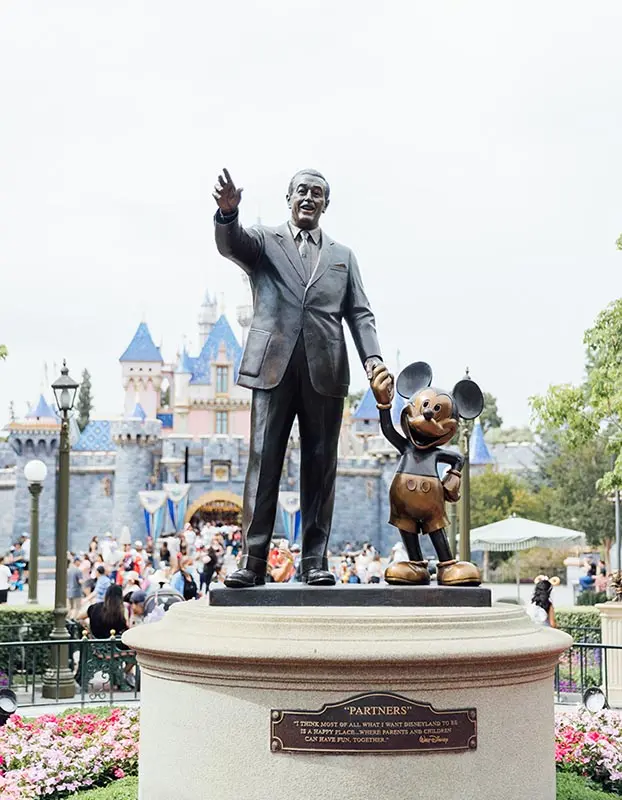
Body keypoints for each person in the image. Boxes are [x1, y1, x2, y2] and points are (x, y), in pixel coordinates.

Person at [213, 167, 384, 588]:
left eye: (318, 193)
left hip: (326, 370)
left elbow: (359, 313)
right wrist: (228, 215)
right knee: (263, 462)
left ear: (326, 203)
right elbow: (232, 245)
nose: (309, 198)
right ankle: (253, 562)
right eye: (302, 191)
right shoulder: (265, 241)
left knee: (321, 466)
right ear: (288, 198)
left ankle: (314, 560)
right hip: (273, 367)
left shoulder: (343, 256)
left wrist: (374, 360)